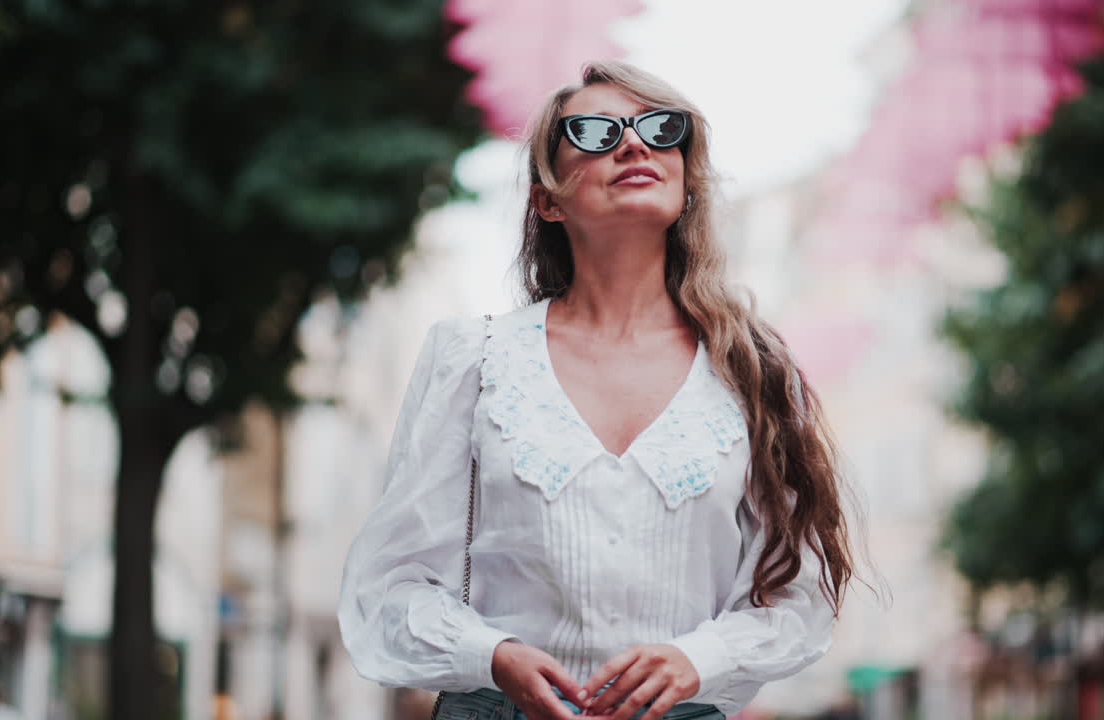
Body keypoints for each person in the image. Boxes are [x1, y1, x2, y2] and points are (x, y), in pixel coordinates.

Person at [338, 60, 858, 720]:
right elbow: (394, 585)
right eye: (593, 131)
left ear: (686, 182)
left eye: (659, 128)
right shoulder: (473, 359)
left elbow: (797, 594)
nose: (634, 143)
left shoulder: (752, 371)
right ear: (547, 199)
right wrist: (490, 653)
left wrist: (701, 658)